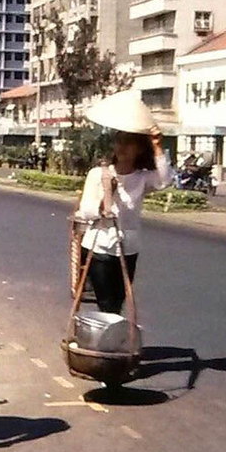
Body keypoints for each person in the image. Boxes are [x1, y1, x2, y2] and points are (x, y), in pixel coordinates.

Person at [75, 126, 172, 314]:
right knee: (105, 301)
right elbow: (85, 211)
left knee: (118, 300)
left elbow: (165, 180)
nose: (123, 147)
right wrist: (106, 197)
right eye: (120, 141)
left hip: (128, 248)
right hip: (99, 246)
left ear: (140, 149)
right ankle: (105, 337)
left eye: (129, 143)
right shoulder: (98, 174)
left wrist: (158, 146)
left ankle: (110, 336)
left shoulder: (142, 177)